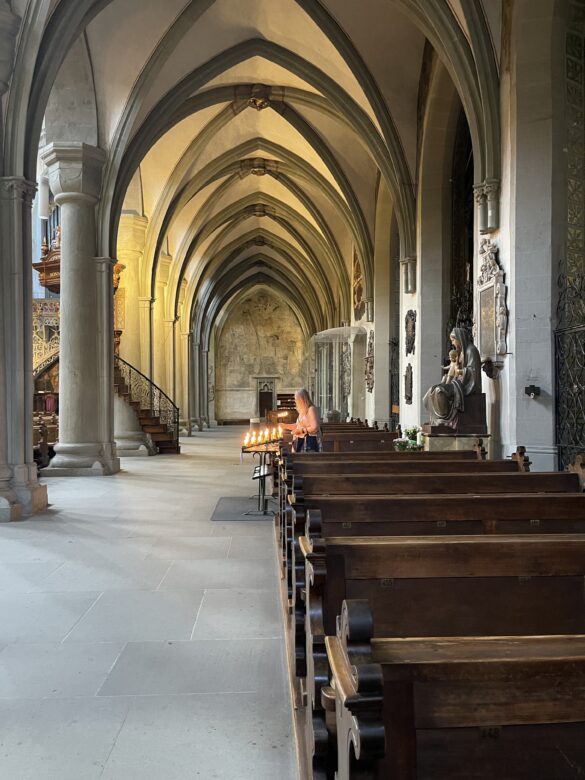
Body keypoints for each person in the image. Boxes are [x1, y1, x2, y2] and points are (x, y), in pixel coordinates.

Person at [423, 327, 482, 426]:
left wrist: (459, 371)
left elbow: (473, 371)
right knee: (432, 390)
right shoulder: (461, 352)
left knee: (440, 391)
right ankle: (438, 418)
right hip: (457, 382)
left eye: (453, 340)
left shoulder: (471, 350)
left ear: (459, 338)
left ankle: (445, 419)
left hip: (467, 385)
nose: (453, 343)